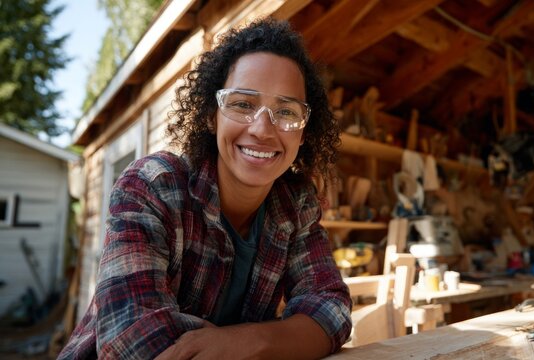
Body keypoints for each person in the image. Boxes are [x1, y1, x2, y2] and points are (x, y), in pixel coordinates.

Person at [59, 18, 352, 359]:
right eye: (243, 104)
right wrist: (286, 336)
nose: (262, 129)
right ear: (212, 116)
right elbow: (132, 340)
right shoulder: (153, 186)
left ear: (302, 134)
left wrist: (245, 342)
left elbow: (333, 310)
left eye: (285, 111)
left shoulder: (295, 205)